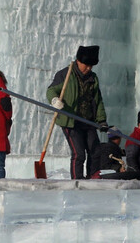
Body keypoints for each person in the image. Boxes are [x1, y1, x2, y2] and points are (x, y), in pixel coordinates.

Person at [46, 45, 108, 179]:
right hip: (70, 121)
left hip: (88, 120)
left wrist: (101, 120)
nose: (89, 68)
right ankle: (77, 181)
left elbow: (97, 100)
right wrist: (54, 100)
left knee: (95, 151)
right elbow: (51, 90)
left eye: (91, 66)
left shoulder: (93, 78)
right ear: (78, 61)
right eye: (86, 65)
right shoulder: (65, 74)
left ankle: (93, 177)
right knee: (79, 153)